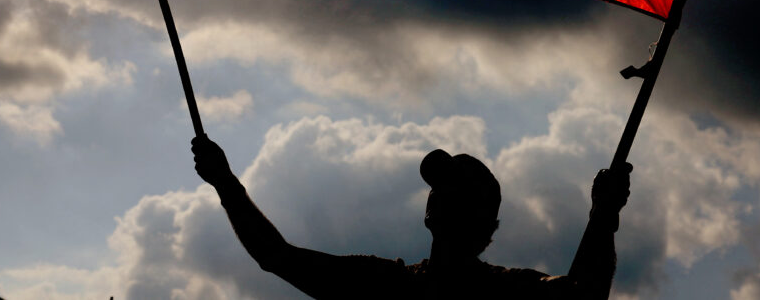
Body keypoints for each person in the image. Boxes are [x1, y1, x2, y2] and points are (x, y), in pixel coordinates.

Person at [192, 135, 631, 299]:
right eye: (442, 191)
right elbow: (277, 257)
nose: (441, 200)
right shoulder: (386, 283)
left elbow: (582, 297)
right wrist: (224, 181)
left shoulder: (387, 286)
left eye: (455, 194)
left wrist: (603, 216)